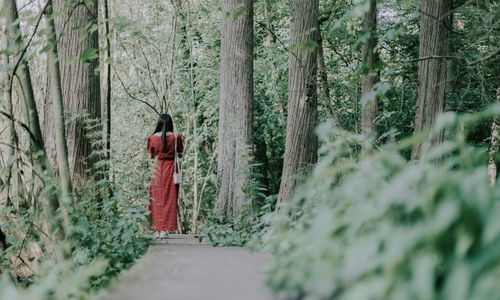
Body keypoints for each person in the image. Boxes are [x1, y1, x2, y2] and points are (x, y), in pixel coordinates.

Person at [147, 113, 183, 239]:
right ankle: (164, 230)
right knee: (169, 199)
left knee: (155, 198)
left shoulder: (152, 138)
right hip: (171, 169)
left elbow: (151, 156)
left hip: (157, 169)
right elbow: (180, 154)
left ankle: (157, 230)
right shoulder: (175, 137)